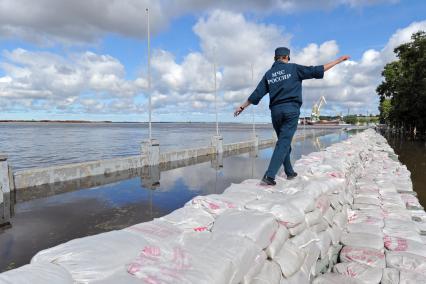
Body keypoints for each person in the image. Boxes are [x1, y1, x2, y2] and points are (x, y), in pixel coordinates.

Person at [234, 47, 349, 185]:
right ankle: (269, 175)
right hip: (291, 110)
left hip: (275, 112)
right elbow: (316, 70)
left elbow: (257, 93)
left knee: (284, 142)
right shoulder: (293, 69)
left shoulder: (269, 74)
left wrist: (242, 106)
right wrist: (337, 61)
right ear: (287, 57)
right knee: (284, 142)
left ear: (275, 58)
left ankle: (289, 172)